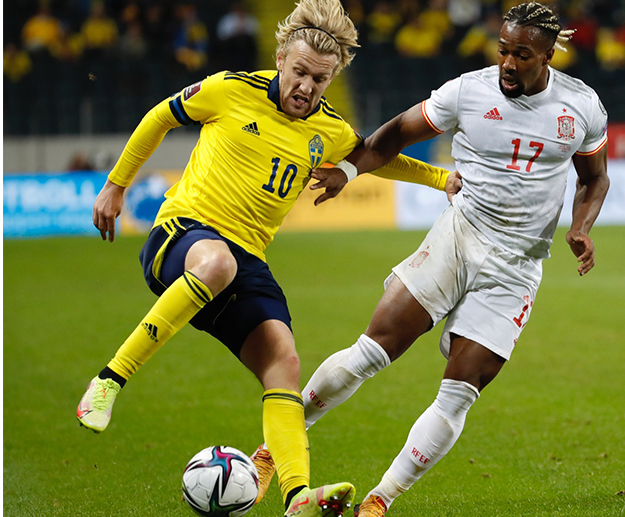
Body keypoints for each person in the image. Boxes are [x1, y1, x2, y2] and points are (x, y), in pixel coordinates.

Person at [74, 0, 456, 515]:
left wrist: (442, 177)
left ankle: (296, 496)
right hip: (182, 235)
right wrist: (115, 185)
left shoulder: (329, 132)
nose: (306, 87)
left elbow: (376, 154)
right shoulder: (229, 89)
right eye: (299, 72)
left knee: (285, 363)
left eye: (320, 80)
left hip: (246, 259)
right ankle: (108, 381)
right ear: (280, 58)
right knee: (216, 264)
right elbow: (160, 116)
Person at [251, 2, 610, 515]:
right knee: (371, 350)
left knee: (460, 392)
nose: (508, 62)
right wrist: (348, 173)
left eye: (522, 55)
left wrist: (581, 226)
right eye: (503, 50)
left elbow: (595, 177)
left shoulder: (582, 107)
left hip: (517, 267)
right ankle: (271, 452)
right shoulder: (468, 91)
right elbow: (395, 134)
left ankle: (380, 500)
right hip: (458, 237)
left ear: (549, 55)